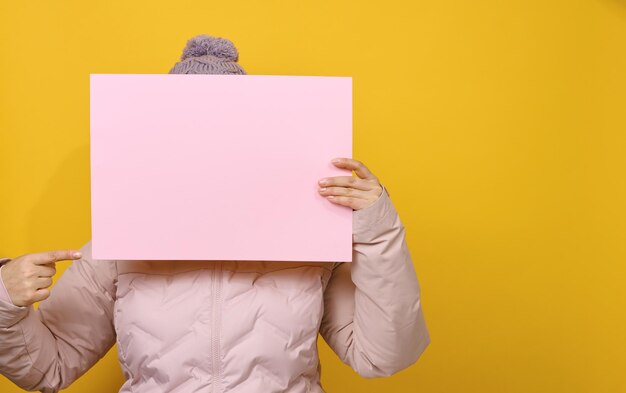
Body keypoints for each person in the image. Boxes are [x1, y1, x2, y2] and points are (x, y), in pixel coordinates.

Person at [0, 34, 430, 393]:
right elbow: (49, 367)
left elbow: (383, 356)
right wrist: (4, 300)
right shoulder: (117, 245)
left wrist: (378, 230)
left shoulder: (313, 241)